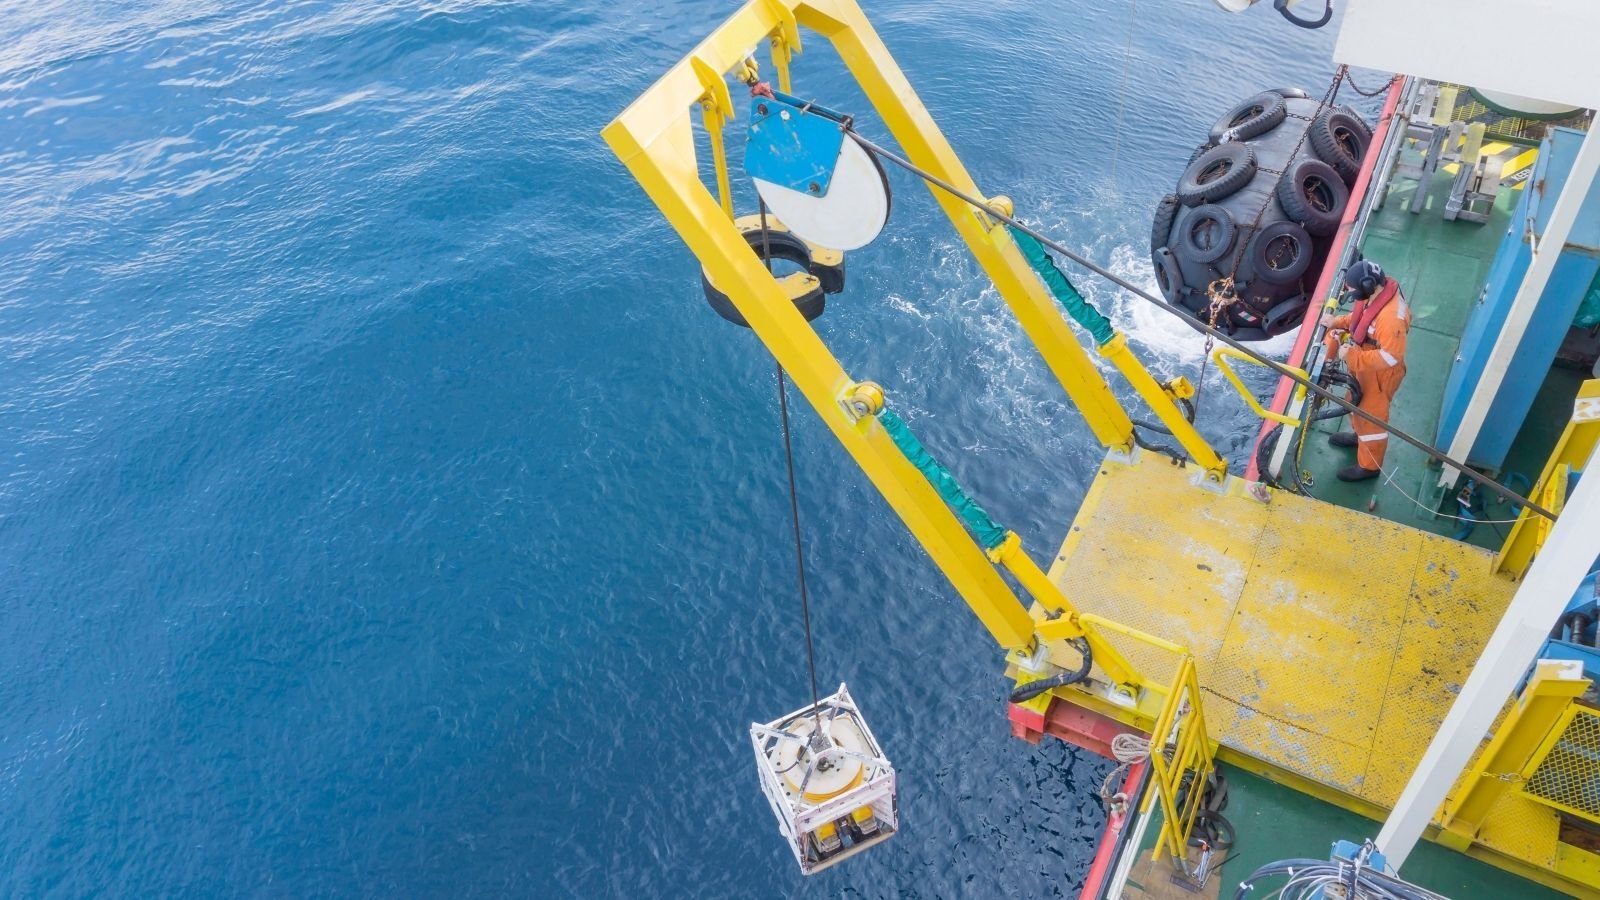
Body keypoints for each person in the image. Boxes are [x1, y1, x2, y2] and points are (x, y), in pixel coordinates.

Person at [1320, 259, 1409, 482]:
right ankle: (1359, 436)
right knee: (1355, 400)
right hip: (1365, 363)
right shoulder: (1374, 295)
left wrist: (1352, 356)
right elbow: (1361, 319)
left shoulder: (1391, 318)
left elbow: (1390, 357)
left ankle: (1370, 467)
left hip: (1380, 374)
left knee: (1371, 419)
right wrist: (1336, 322)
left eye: (1354, 292)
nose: (1353, 296)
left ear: (1369, 285)